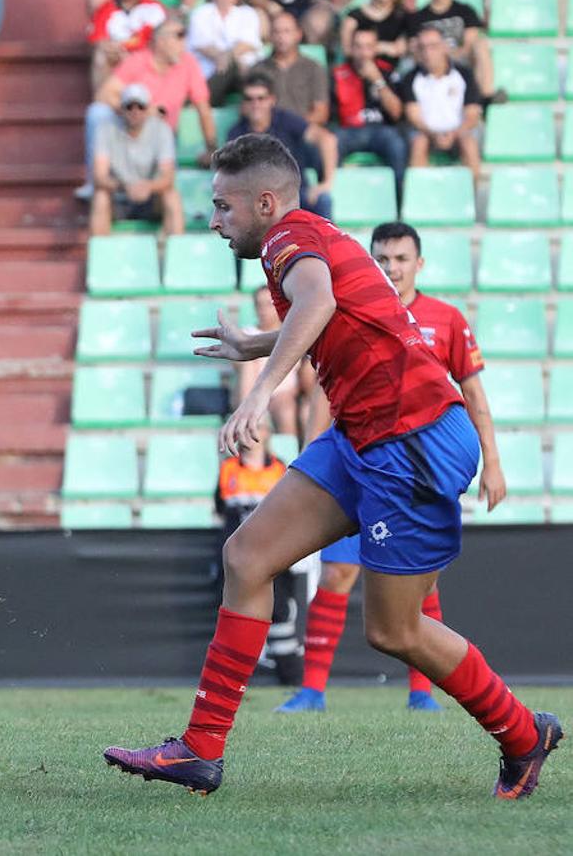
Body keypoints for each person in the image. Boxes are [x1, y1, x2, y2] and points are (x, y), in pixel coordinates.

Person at [103, 133, 561, 801]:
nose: (212, 220)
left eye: (222, 206)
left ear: (263, 202)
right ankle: (197, 750)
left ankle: (523, 735)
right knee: (247, 556)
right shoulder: (303, 234)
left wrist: (259, 393)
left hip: (410, 442)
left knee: (392, 630)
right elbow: (340, 309)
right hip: (364, 434)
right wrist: (255, 341)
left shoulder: (286, 240)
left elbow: (317, 304)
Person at [277, 220, 507, 714]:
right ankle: (312, 690)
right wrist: (313, 458)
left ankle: (422, 693)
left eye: (401, 259)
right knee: (338, 572)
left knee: (419, 585)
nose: (391, 268)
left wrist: (493, 462)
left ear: (418, 264)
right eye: (382, 258)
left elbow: (471, 394)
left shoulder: (446, 319)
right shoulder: (355, 309)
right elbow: (325, 387)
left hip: (412, 465)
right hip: (354, 457)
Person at [81, 18, 215, 194]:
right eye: (179, 36)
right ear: (160, 41)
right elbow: (103, 95)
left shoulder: (188, 63)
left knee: (169, 190)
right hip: (129, 133)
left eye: (185, 36)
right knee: (97, 112)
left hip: (162, 137)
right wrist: (137, 111)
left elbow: (203, 109)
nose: (184, 42)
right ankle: (96, 183)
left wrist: (211, 148)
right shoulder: (138, 60)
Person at [214, 423, 303, 687]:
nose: (253, 433)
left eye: (259, 427)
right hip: (240, 554)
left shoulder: (280, 468)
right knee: (235, 613)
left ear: (268, 434)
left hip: (274, 552)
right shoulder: (228, 469)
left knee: (279, 613)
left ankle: (291, 679)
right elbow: (221, 508)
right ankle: (230, 681)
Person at [227, 73, 337, 220]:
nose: (255, 104)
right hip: (262, 204)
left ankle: (330, 243)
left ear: (272, 100)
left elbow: (327, 139)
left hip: (297, 196)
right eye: (249, 99)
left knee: (323, 199)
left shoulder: (286, 120)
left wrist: (326, 183)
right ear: (243, 103)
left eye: (261, 98)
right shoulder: (237, 134)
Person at [89, 83, 181, 236]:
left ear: (148, 109)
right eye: (129, 107)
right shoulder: (105, 129)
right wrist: (125, 187)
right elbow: (99, 177)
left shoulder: (161, 129)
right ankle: (102, 256)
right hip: (119, 196)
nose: (135, 111)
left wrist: (148, 187)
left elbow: (168, 177)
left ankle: (176, 255)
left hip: (150, 197)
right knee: (100, 198)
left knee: (171, 196)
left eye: (140, 107)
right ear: (121, 109)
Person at [405, 0, 499, 104]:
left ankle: (485, 98)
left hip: (460, 60)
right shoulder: (418, 17)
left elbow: (469, 43)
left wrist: (447, 55)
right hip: (431, 63)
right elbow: (414, 48)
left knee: (481, 44)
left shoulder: (465, 11)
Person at [331, 27, 407, 204]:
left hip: (382, 131)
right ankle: (337, 202)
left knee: (396, 143)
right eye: (358, 47)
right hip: (348, 131)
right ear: (351, 48)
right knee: (332, 142)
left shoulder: (388, 72)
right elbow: (330, 115)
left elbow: (396, 113)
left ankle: (399, 203)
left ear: (375, 49)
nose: (364, 53)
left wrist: (378, 80)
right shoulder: (337, 74)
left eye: (368, 47)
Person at [399, 26, 482, 181]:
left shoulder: (464, 74)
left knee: (469, 143)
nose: (427, 52)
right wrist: (434, 134)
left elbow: (472, 115)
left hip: (459, 132)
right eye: (423, 47)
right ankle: (419, 197)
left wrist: (454, 134)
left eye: (433, 46)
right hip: (427, 133)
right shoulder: (410, 78)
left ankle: (472, 199)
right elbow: (413, 116)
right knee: (419, 142)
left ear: (444, 47)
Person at [237, 286, 317, 438]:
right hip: (258, 390)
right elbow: (238, 364)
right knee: (246, 364)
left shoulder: (295, 332)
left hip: (288, 393)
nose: (263, 310)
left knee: (290, 408)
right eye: (258, 305)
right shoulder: (248, 334)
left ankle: (294, 452)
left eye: (268, 304)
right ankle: (248, 413)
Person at [187, 0, 264, 107]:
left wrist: (227, 56)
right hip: (210, 73)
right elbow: (202, 45)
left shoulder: (248, 13)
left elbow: (247, 44)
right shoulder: (201, 13)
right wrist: (223, 57)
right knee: (229, 66)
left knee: (245, 70)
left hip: (244, 73)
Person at [86, 0, 167, 91]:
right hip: (116, 63)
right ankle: (102, 106)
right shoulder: (105, 10)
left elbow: (160, 44)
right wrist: (109, 47)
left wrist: (133, 56)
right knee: (100, 56)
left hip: (146, 64)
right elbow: (97, 40)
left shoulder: (154, 8)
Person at [253, 11, 329, 125]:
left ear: (298, 34)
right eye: (276, 32)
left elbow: (321, 113)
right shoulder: (258, 69)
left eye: (286, 31)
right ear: (270, 36)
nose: (281, 37)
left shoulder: (313, 68)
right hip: (268, 133)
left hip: (302, 132)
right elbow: (248, 108)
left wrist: (293, 127)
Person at [339, 0, 406, 61]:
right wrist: (385, 47)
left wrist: (365, 48)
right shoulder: (353, 17)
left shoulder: (403, 17)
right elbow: (347, 51)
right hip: (358, 70)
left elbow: (400, 49)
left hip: (390, 73)